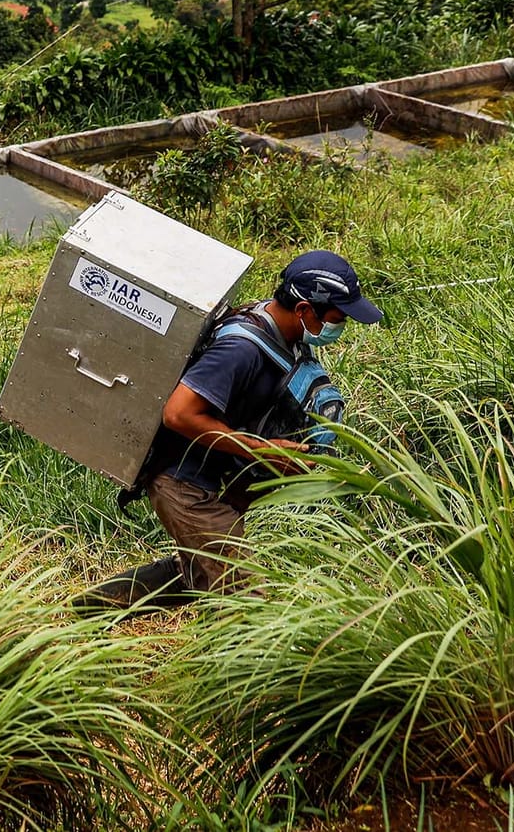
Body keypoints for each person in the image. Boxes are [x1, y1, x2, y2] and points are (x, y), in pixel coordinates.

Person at [90, 250, 382, 609]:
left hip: (218, 476)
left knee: (200, 570)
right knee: (246, 599)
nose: (340, 328)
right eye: (337, 319)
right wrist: (263, 449)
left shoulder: (285, 332)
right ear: (305, 309)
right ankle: (245, 663)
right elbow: (178, 414)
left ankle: (96, 606)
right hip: (182, 481)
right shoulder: (240, 349)